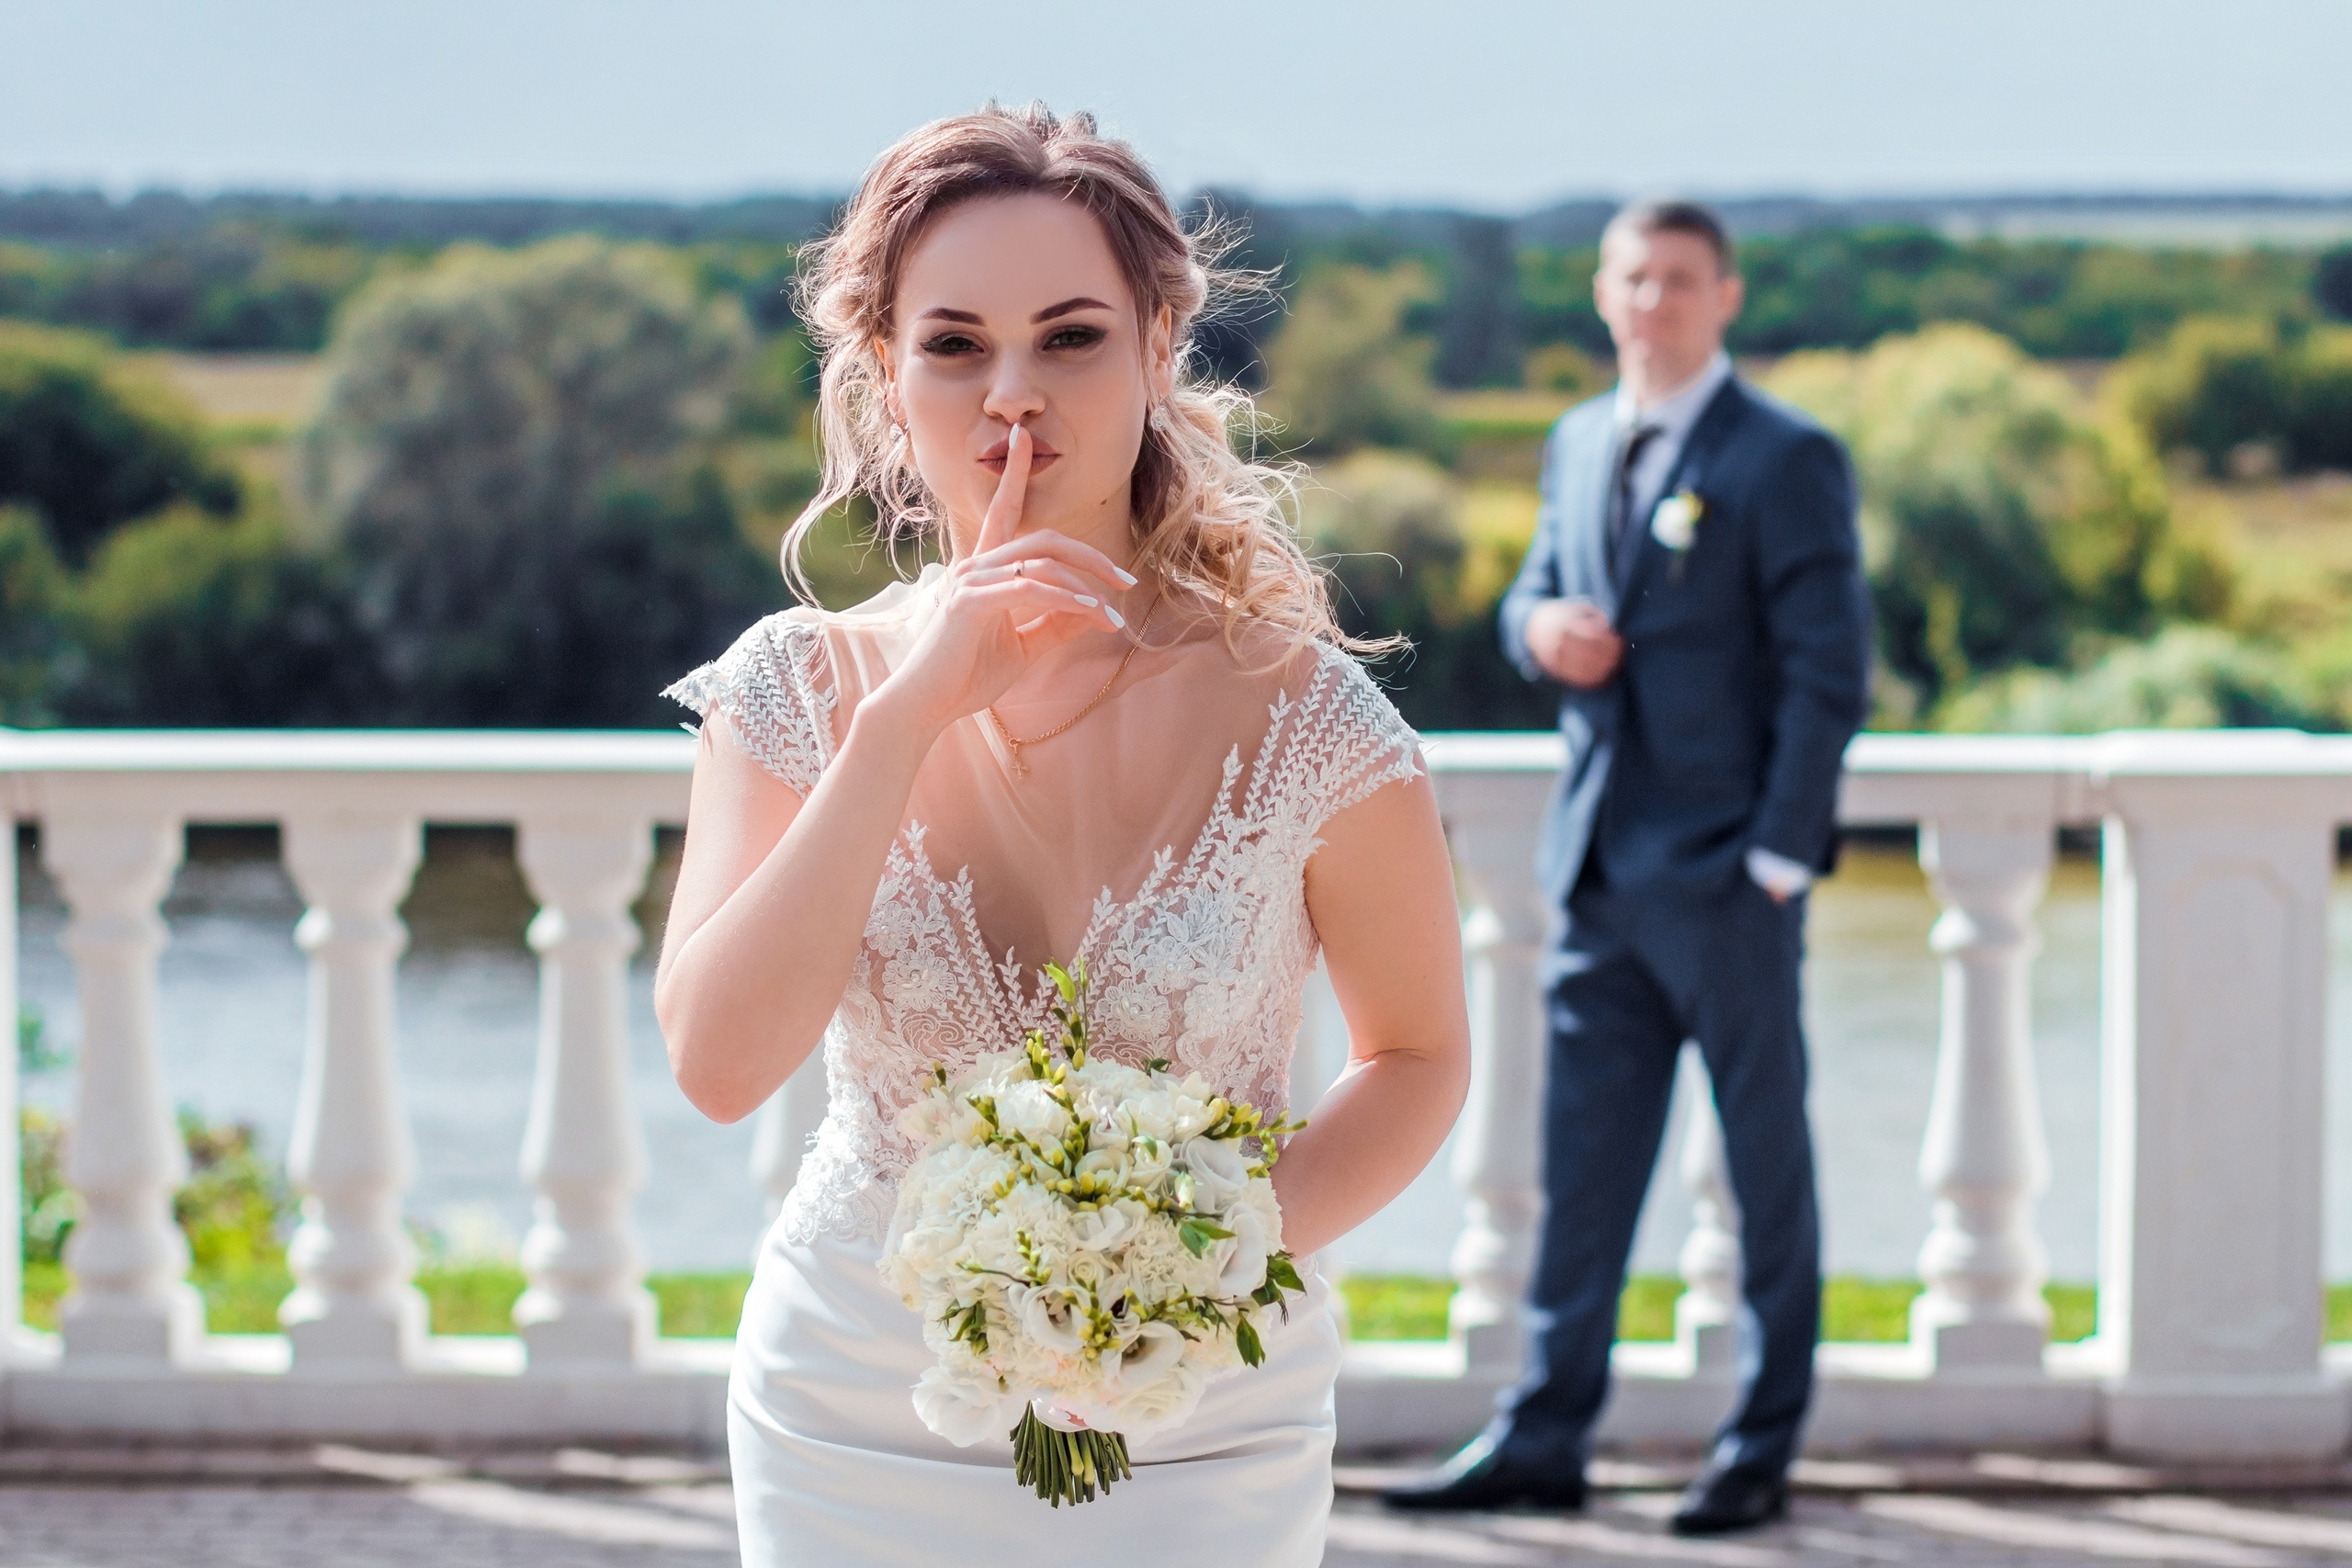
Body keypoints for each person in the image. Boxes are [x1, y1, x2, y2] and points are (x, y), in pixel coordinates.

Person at [653, 106, 1471, 1566]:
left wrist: (1192, 1258)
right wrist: (902, 721)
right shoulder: (795, 687)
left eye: (1072, 337)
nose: (1011, 398)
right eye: (955, 344)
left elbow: (1416, 1057)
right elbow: (718, 1064)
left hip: (1207, 1407)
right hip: (855, 1412)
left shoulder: (1310, 714)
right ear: (886, 378)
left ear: (1161, 351)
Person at [1384, 199, 1871, 1534]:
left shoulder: (1786, 457)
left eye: (1678, 279)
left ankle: (1759, 1448)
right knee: (1578, 1173)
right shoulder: (1576, 438)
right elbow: (1528, 589)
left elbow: (1832, 675)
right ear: (1603, 295)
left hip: (1729, 880)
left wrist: (1779, 859)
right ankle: (1546, 1433)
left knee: (1767, 1172)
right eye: (1632, 278)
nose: (1652, 301)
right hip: (1593, 871)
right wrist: (1541, 626)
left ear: (1726, 295)